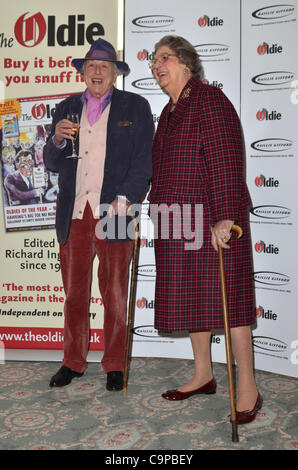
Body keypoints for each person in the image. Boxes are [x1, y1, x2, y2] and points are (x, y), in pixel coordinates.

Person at [149, 35, 261, 425]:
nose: (156, 66)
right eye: (153, 61)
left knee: (230, 303)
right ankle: (204, 374)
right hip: (177, 221)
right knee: (194, 300)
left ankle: (247, 384)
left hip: (213, 219)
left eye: (164, 58)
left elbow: (226, 158)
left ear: (186, 62)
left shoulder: (209, 100)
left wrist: (226, 215)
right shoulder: (168, 111)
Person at [44, 38, 154, 391]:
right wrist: (57, 142)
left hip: (116, 210)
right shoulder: (65, 108)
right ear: (82, 71)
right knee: (75, 294)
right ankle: (73, 361)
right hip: (74, 213)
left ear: (115, 73)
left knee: (115, 293)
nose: (96, 71)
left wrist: (127, 197)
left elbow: (143, 162)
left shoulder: (135, 107)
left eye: (104, 67)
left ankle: (114, 363)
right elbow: (52, 162)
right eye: (91, 65)